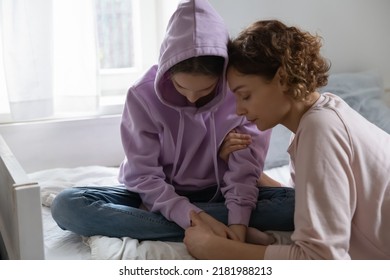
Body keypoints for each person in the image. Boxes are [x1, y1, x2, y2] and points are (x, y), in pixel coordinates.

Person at [51, 1, 295, 243]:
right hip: (153, 195)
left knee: (295, 205)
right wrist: (193, 216)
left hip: (219, 193)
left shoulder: (239, 94)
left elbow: (243, 175)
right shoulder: (142, 95)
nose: (191, 97)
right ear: (167, 71)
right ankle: (209, 225)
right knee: (67, 205)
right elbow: (144, 176)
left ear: (221, 76)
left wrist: (238, 224)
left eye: (206, 89)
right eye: (180, 87)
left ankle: (190, 225)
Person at [183, 19, 390, 259]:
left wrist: (216, 250)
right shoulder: (322, 115)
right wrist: (250, 173)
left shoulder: (320, 129)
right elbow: (317, 203)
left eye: (245, 95)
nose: (238, 110)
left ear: (281, 78)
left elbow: (322, 260)